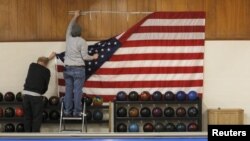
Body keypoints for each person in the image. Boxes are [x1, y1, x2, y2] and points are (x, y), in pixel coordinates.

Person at [64, 10, 98, 117]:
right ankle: (77, 112)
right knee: (78, 91)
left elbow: (69, 27)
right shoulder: (82, 41)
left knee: (68, 91)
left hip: (67, 69)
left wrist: (75, 17)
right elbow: (85, 57)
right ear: (80, 32)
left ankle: (67, 111)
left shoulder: (68, 38)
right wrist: (94, 57)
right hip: (78, 69)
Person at [22, 53, 55, 132]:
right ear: (46, 64)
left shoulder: (32, 66)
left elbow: (41, 63)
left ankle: (27, 135)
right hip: (36, 96)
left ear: (37, 61)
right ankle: (34, 137)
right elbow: (45, 87)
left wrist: (48, 58)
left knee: (27, 117)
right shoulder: (47, 71)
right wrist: (41, 93)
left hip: (25, 94)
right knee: (37, 117)